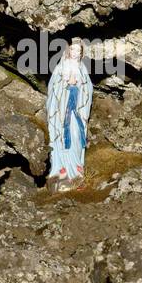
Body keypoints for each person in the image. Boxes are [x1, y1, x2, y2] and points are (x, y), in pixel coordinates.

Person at [45, 38, 93, 188]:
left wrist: (78, 86)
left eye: (79, 51)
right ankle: (62, 170)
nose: (75, 53)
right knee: (61, 138)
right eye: (73, 50)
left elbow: (88, 90)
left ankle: (77, 171)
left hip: (76, 111)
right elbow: (53, 89)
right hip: (61, 112)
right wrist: (66, 85)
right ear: (68, 51)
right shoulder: (61, 68)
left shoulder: (82, 69)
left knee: (76, 135)